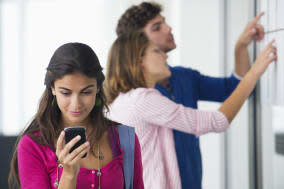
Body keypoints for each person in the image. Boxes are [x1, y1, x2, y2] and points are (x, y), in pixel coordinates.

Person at [115, 2, 266, 188]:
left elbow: (234, 90)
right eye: (157, 27)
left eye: (164, 22)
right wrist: (255, 72)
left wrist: (241, 47)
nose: (168, 28)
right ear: (135, 46)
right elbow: (218, 119)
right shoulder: (140, 97)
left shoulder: (183, 77)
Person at [8, 43, 144, 189]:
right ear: (52, 89)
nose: (76, 104)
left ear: (98, 88)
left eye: (86, 92)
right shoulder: (32, 146)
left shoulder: (124, 138)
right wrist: (68, 175)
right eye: (66, 93)